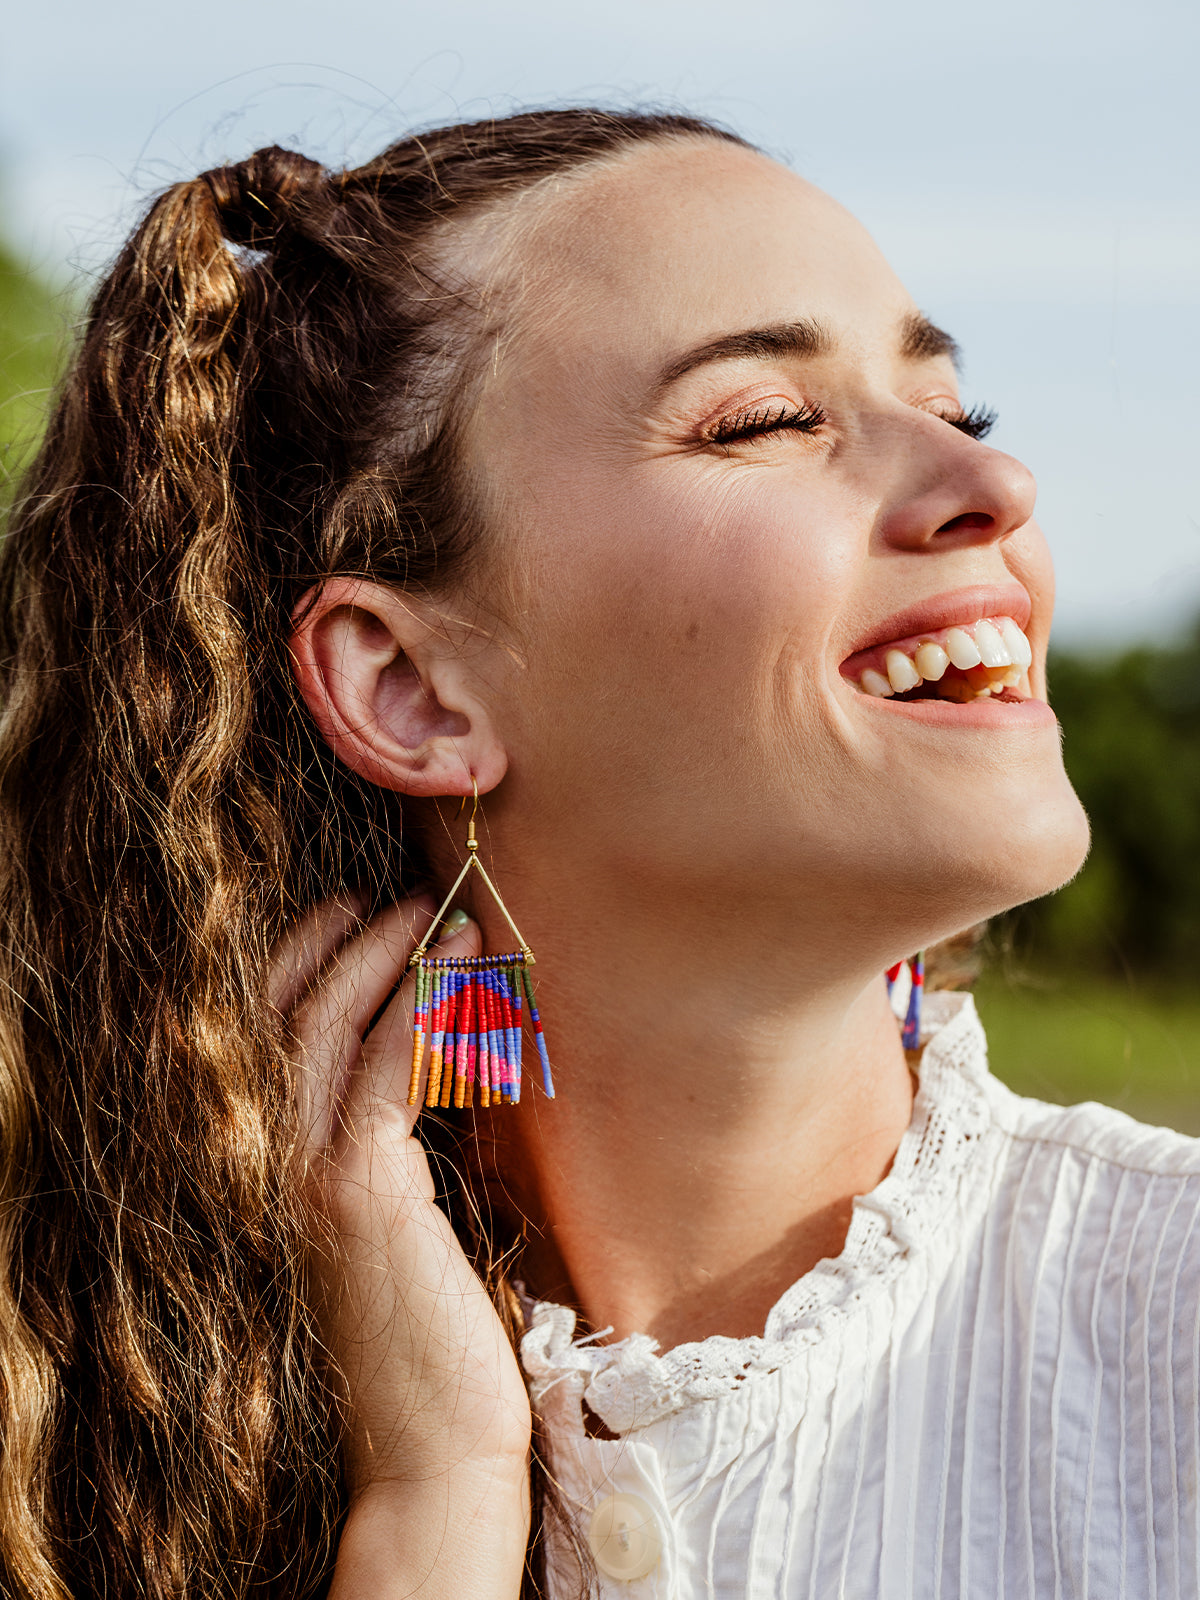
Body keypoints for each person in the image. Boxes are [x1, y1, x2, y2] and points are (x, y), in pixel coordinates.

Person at [0, 105, 1194, 1600]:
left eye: (960, 413)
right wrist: (436, 1504)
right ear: (409, 690)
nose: (997, 492)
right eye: (767, 419)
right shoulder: (112, 1449)